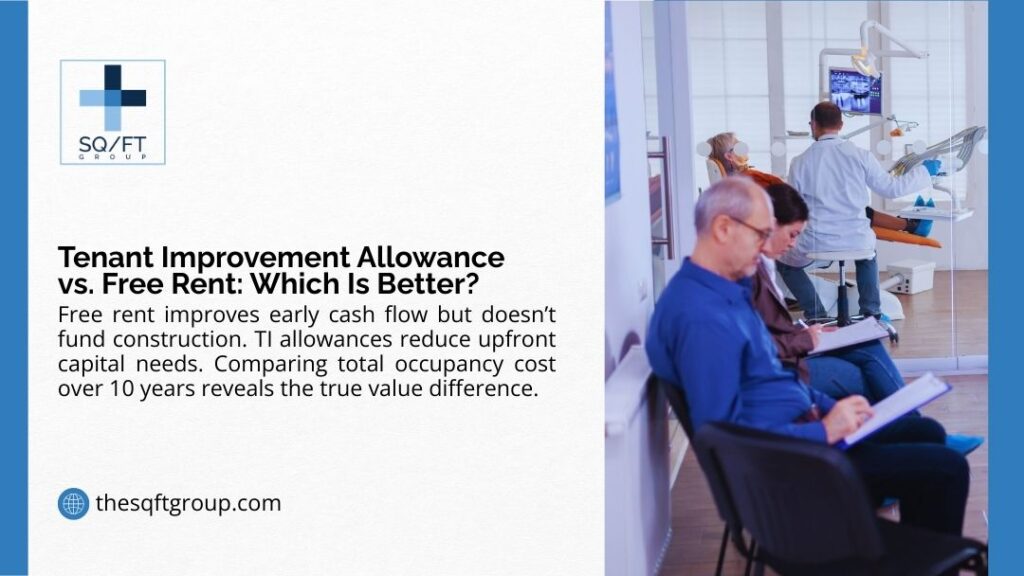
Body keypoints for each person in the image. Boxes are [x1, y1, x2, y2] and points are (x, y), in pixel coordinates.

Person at [646, 176, 968, 535]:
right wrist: (824, 430)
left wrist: (831, 410)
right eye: (760, 234)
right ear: (723, 228)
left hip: (804, 434)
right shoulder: (700, 317)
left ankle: (909, 554)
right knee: (946, 468)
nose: (767, 246)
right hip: (794, 467)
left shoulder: (726, 293)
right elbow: (724, 436)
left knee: (923, 432)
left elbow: (775, 376)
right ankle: (900, 555)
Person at [756, 182, 983, 455]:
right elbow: (756, 346)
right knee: (864, 376)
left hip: (790, 353)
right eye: (791, 234)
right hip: (782, 367)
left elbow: (765, 330)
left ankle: (911, 447)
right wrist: (803, 338)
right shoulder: (749, 274)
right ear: (769, 223)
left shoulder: (762, 266)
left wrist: (803, 330)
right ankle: (920, 443)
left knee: (868, 345)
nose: (793, 244)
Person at [778, 102, 933, 319]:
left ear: (813, 125)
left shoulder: (800, 162)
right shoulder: (861, 155)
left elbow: (794, 208)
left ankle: (817, 315)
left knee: (784, 263)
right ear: (841, 125)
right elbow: (892, 188)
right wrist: (926, 172)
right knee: (867, 255)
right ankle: (871, 314)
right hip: (856, 239)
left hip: (816, 241)